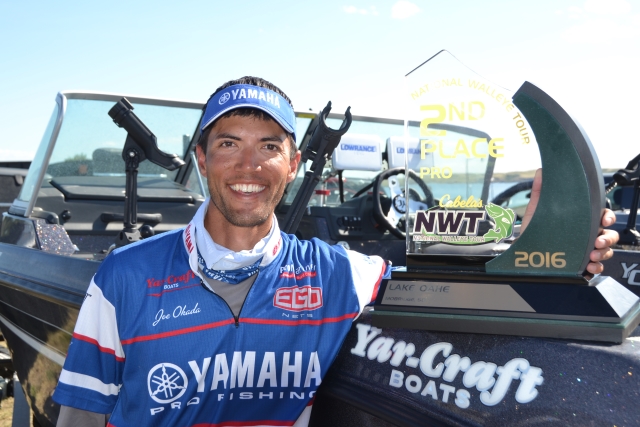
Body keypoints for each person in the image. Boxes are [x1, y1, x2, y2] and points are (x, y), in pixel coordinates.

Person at [52, 76, 619, 427]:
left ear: (293, 165)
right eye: (228, 144)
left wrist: (556, 247)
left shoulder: (339, 276)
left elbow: (453, 287)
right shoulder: (125, 277)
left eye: (269, 146)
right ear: (201, 158)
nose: (249, 165)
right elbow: (80, 418)